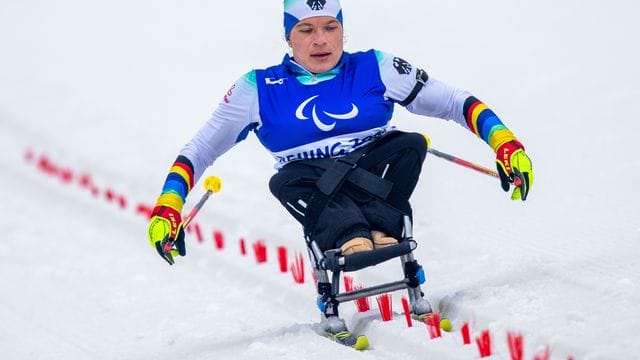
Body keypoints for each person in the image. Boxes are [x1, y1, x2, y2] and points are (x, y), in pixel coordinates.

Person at [147, 0, 534, 348]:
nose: (321, 40)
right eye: (307, 29)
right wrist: (169, 205)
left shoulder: (376, 66)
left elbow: (451, 101)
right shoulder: (257, 88)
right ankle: (353, 235)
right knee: (285, 181)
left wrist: (505, 143)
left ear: (343, 31)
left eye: (330, 27)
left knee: (411, 144)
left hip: (374, 181)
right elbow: (200, 149)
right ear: (288, 37)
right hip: (314, 187)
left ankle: (378, 229)